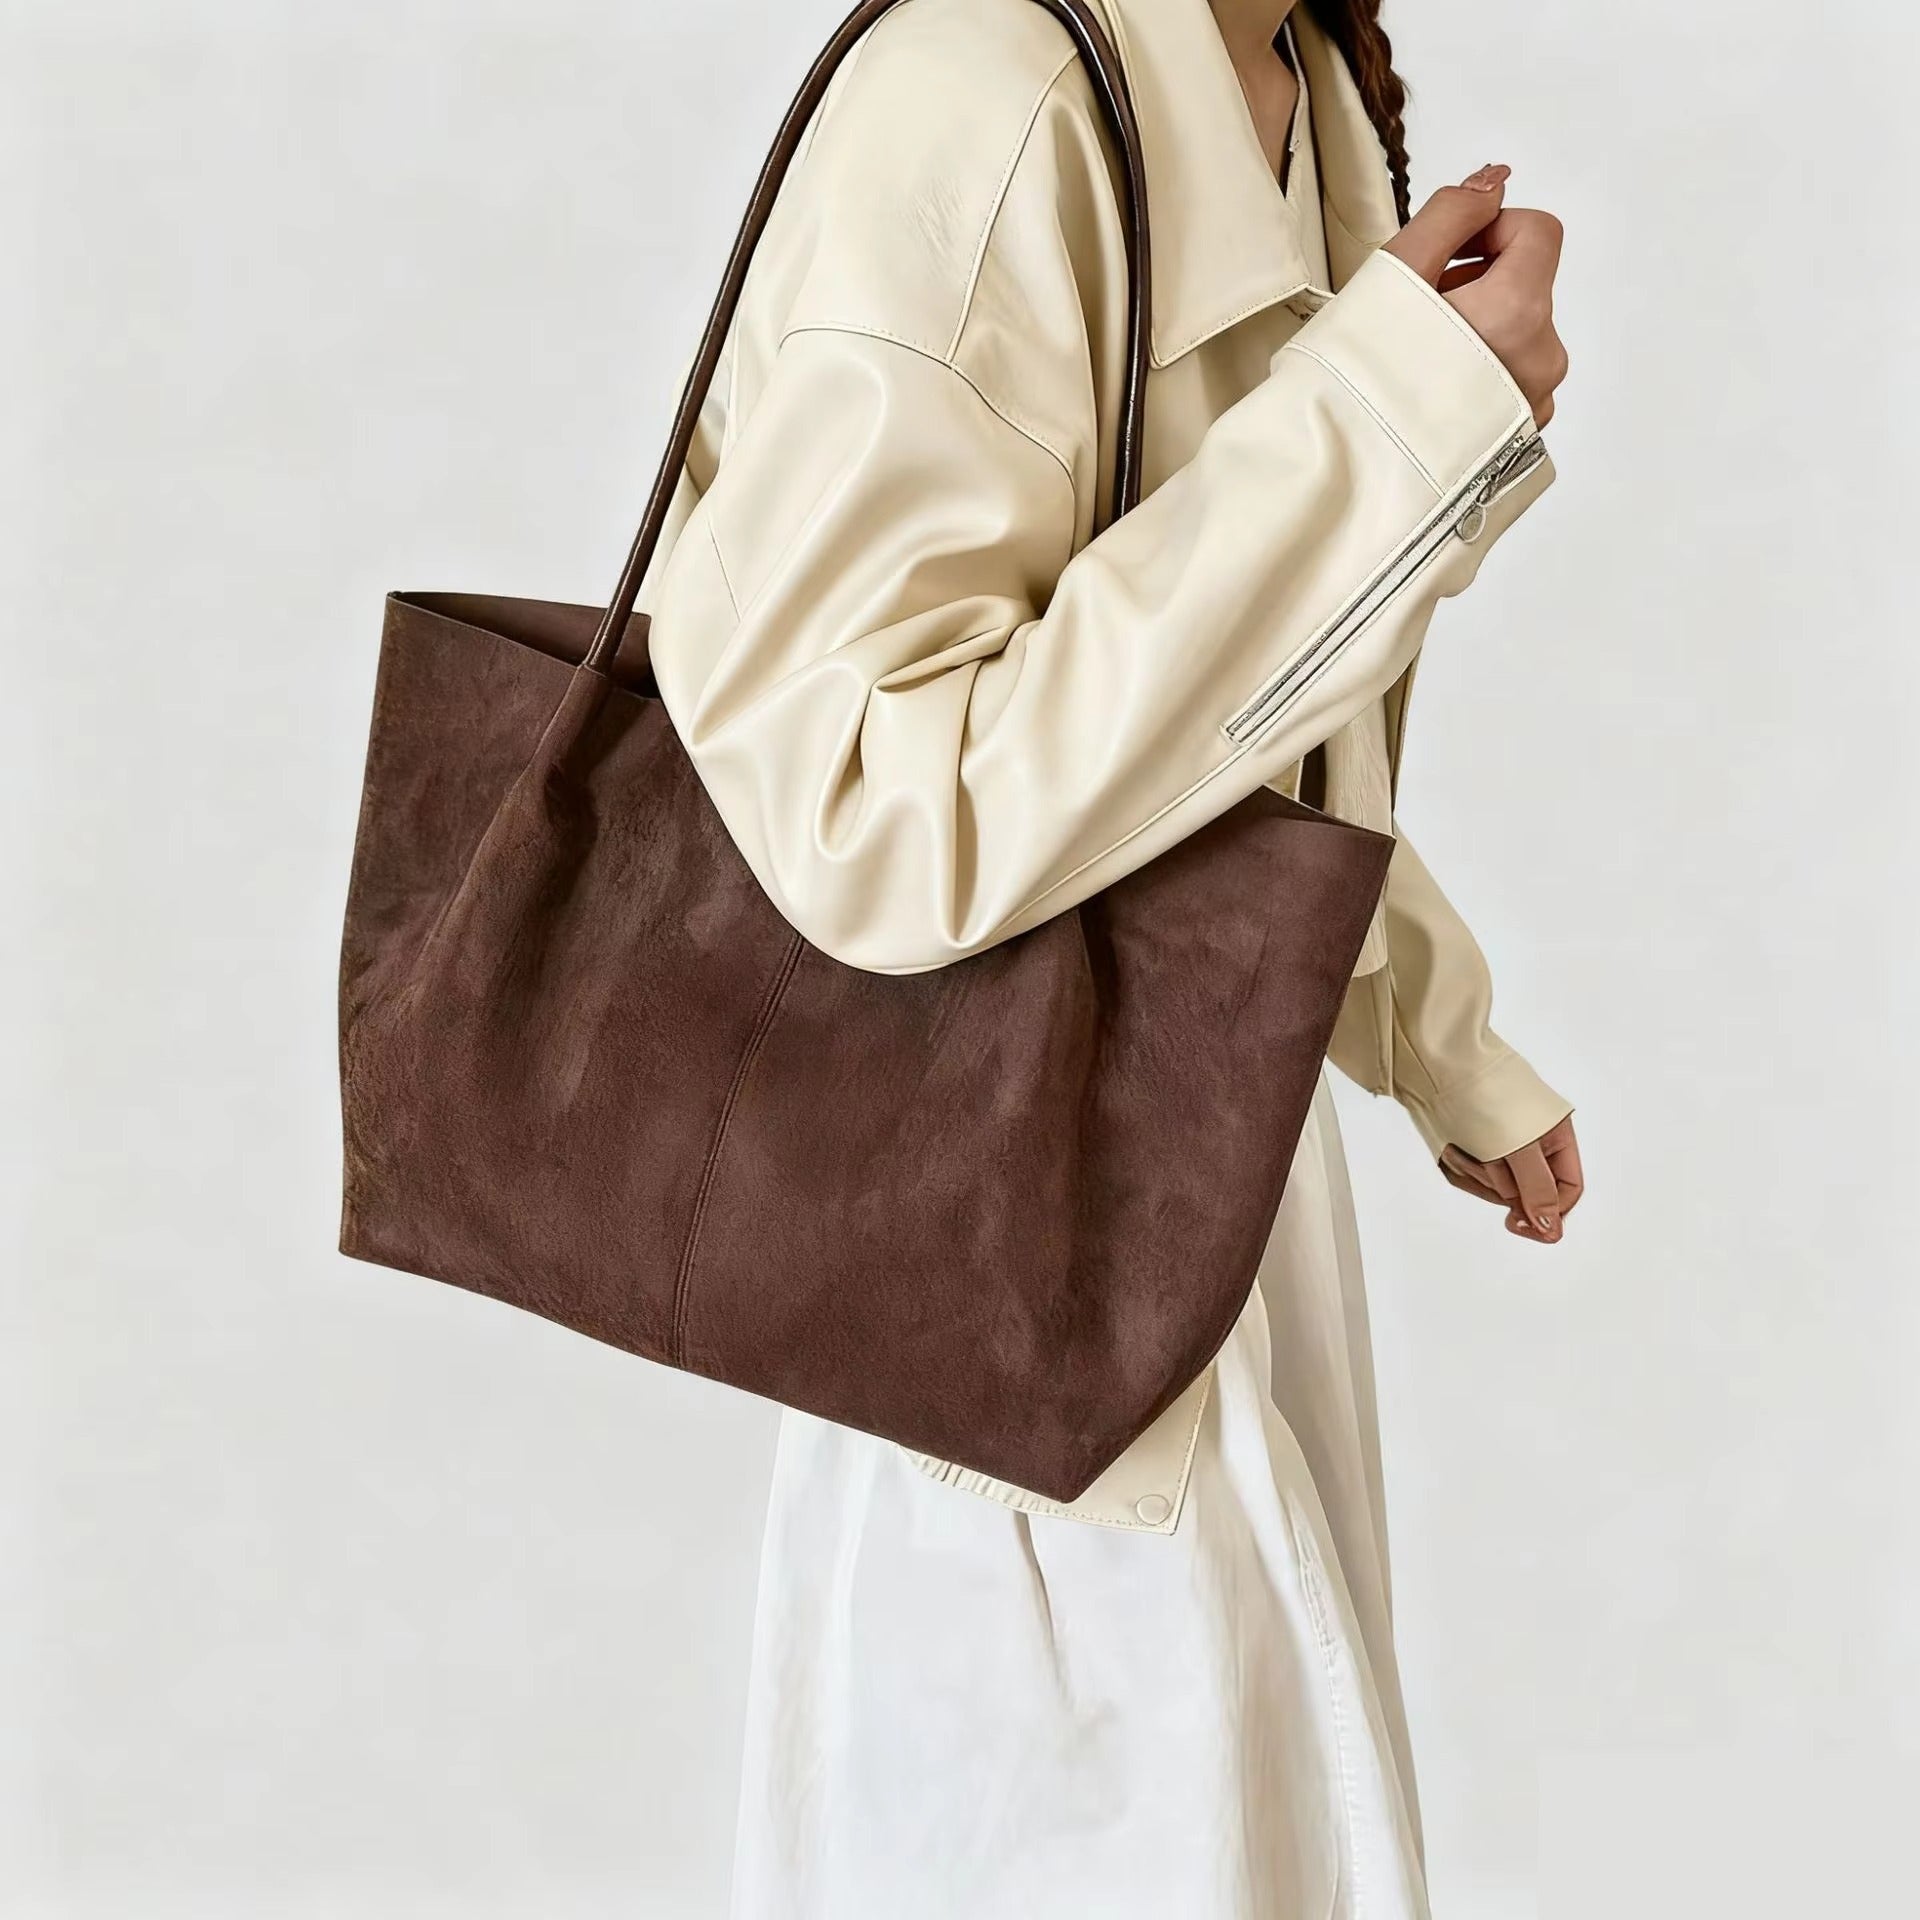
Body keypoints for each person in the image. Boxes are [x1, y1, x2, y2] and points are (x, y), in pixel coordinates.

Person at [637, 1, 1583, 1912]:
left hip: (1198, 1171)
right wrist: (1394, 421)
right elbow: (872, 805)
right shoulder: (975, 94)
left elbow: (1209, 733)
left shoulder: (1294, 83)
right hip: (993, 1271)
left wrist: (1428, 1018)